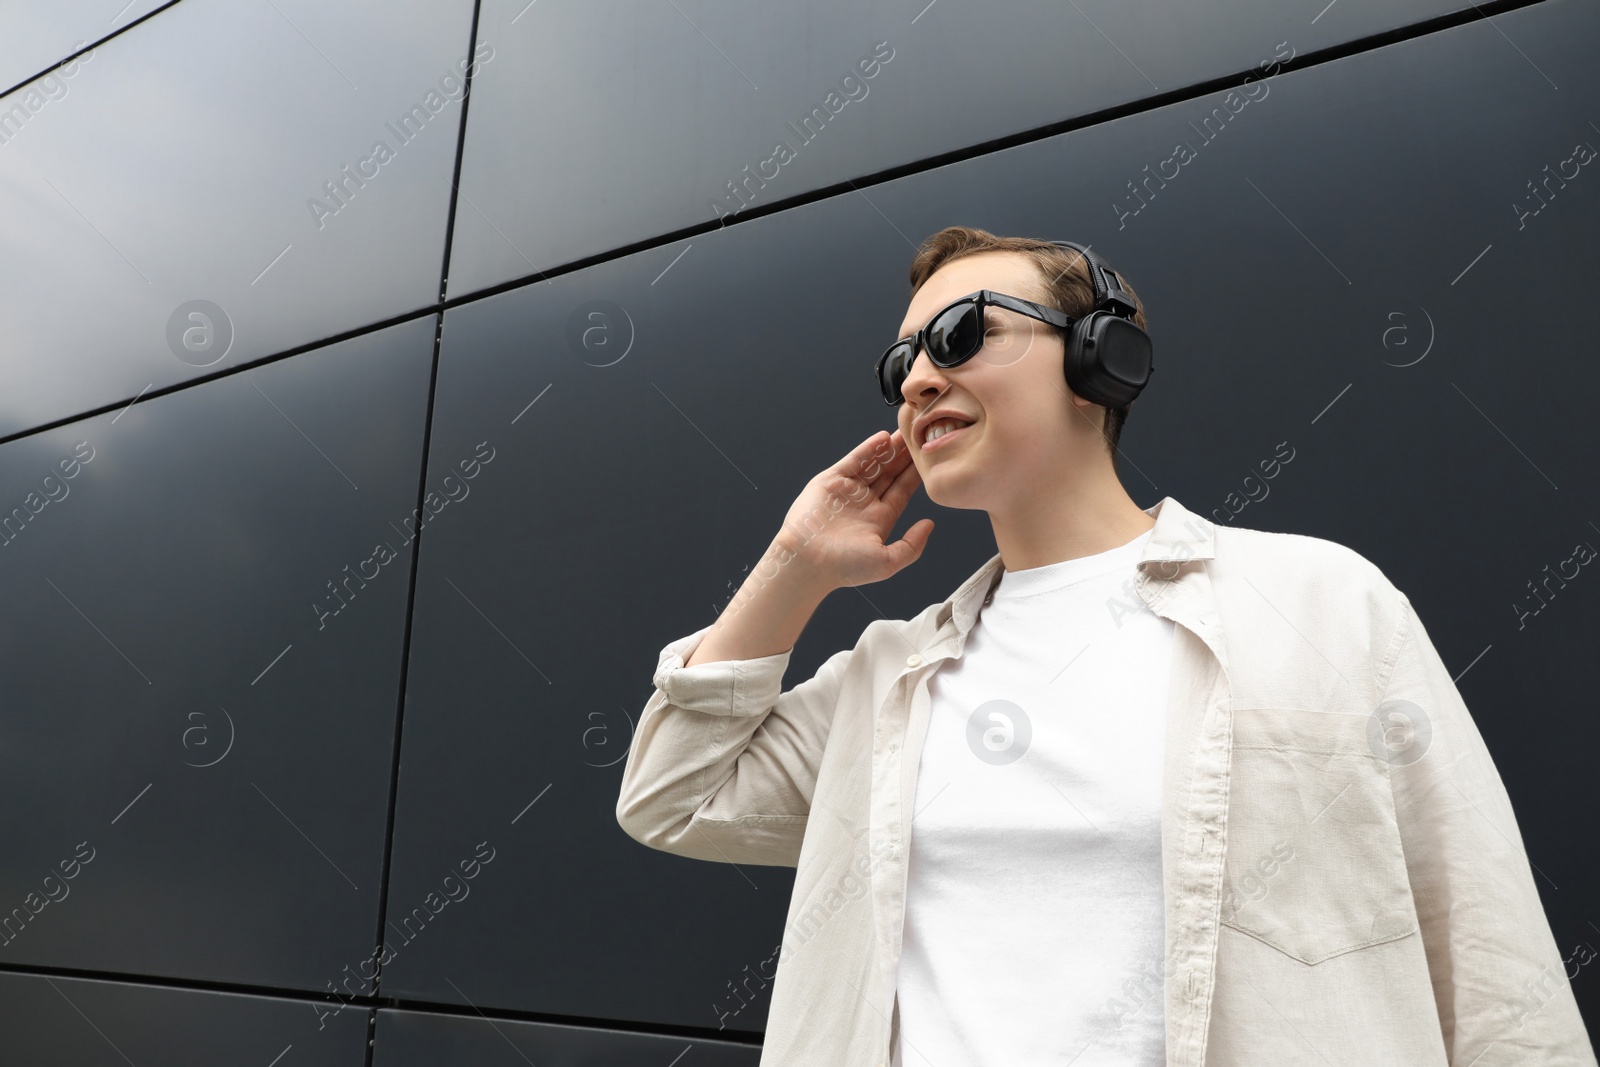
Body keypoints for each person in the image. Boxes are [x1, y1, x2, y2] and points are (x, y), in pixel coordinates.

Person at [615, 226, 1597, 1066]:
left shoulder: (1320, 601)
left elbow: (1489, 952)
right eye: (900, 360)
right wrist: (796, 564)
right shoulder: (888, 674)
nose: (917, 378)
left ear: (1101, 360)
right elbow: (674, 791)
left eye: (960, 335)